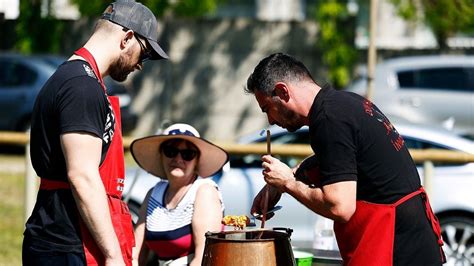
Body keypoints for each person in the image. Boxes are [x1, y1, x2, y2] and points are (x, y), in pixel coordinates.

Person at [246, 53, 446, 265]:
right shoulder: (345, 103)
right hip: (414, 245)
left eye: (267, 109)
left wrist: (288, 183)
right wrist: (286, 179)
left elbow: (339, 207)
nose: (270, 120)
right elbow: (340, 161)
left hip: (396, 250)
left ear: (282, 91)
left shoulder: (329, 119)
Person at [23, 1, 169, 265]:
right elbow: (82, 175)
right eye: (144, 53)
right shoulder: (82, 87)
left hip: (62, 238)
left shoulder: (72, 78)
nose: (140, 65)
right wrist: (113, 254)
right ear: (126, 38)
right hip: (67, 245)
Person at [130, 123, 228, 266]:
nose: (178, 159)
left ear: (196, 162)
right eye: (170, 151)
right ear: (161, 155)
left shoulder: (204, 192)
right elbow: (136, 254)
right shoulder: (153, 194)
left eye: (188, 154)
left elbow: (203, 258)